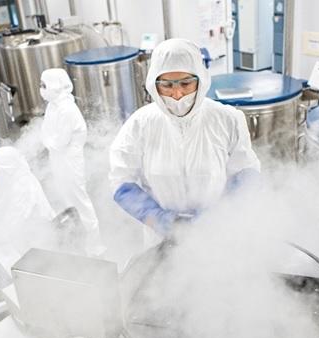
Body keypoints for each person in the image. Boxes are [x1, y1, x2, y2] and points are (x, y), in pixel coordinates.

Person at [109, 38, 261, 239]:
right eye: (167, 85)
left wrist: (216, 216)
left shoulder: (227, 119)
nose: (177, 94)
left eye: (186, 83)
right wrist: (158, 218)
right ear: (154, 85)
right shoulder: (140, 124)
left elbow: (246, 173)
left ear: (201, 80)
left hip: (217, 232)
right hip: (161, 237)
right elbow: (121, 180)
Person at [39, 68, 104, 255]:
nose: (41, 89)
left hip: (70, 162)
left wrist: (47, 140)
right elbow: (46, 135)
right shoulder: (53, 106)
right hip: (58, 161)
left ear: (56, 85)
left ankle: (94, 244)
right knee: (67, 201)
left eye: (44, 85)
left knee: (80, 202)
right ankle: (78, 240)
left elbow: (58, 142)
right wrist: (48, 140)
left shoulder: (67, 109)